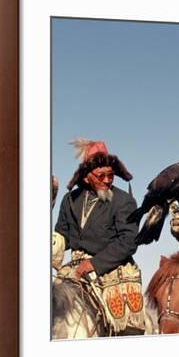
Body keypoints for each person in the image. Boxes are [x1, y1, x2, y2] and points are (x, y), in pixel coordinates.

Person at [54, 138, 146, 335]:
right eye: (100, 175)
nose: (106, 180)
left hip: (111, 267)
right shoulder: (69, 200)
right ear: (86, 177)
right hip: (75, 268)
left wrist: (94, 264)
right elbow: (63, 235)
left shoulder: (124, 201)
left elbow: (128, 241)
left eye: (111, 175)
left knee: (126, 330)